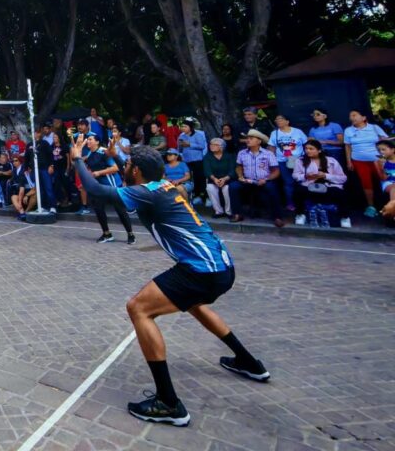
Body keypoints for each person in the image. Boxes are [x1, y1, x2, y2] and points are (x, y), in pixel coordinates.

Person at [68, 136, 269, 427]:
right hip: (222, 266)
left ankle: (168, 403)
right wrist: (118, 158)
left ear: (137, 170)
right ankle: (248, 362)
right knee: (194, 304)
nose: (125, 167)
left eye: (128, 164)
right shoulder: (160, 185)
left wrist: (77, 158)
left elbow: (96, 189)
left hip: (201, 271)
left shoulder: (145, 193)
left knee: (138, 308)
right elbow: (136, 175)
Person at [83, 133, 136, 244]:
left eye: (90, 139)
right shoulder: (90, 153)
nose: (88, 141)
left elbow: (115, 168)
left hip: (112, 186)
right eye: (87, 139)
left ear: (97, 141)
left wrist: (99, 173)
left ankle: (131, 234)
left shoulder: (104, 152)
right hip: (99, 187)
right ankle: (107, 234)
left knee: (120, 211)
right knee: (98, 209)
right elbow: (91, 168)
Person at [292, 139, 349, 228]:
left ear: (319, 150)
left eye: (311, 149)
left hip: (328, 187)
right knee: (298, 191)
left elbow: (343, 178)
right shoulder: (300, 161)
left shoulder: (331, 161)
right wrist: (306, 176)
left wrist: (325, 176)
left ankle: (344, 217)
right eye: (306, 148)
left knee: (341, 193)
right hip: (310, 186)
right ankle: (300, 214)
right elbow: (295, 175)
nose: (308, 151)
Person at [234, 129, 283, 228]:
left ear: (259, 141)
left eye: (251, 138)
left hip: (264, 181)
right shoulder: (242, 153)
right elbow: (239, 167)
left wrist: (266, 179)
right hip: (248, 180)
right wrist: (240, 176)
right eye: (247, 138)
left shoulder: (268, 154)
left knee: (272, 188)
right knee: (233, 187)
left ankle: (277, 217)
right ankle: (237, 214)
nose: (248, 140)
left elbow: (276, 171)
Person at [344, 109, 386, 218]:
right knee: (366, 183)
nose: (351, 118)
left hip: (378, 160)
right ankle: (371, 206)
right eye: (350, 116)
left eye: (354, 115)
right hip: (359, 161)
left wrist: (384, 158)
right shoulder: (348, 130)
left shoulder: (374, 128)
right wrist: (349, 161)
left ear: (363, 118)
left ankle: (388, 205)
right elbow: (347, 147)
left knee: (384, 180)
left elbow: (385, 143)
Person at [268, 114, 308, 211]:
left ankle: (305, 203)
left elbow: (306, 144)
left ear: (287, 121)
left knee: (302, 181)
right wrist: (271, 162)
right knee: (288, 182)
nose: (278, 121)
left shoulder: (298, 131)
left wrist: (306, 158)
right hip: (282, 161)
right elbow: (272, 148)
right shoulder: (274, 133)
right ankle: (291, 203)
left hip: (298, 160)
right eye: (276, 119)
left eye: (280, 119)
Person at [203, 139, 236, 219]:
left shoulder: (229, 156)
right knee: (210, 188)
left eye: (214, 145)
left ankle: (229, 211)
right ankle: (218, 211)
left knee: (226, 189)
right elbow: (207, 171)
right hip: (213, 180)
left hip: (227, 179)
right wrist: (214, 179)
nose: (211, 146)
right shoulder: (207, 157)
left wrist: (224, 179)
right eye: (211, 144)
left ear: (221, 147)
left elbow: (232, 170)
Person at [177, 120, 207, 206]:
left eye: (185, 126)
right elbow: (179, 149)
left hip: (197, 160)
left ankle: (202, 195)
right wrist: (180, 146)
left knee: (199, 177)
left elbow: (202, 146)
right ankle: (193, 195)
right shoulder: (181, 136)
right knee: (189, 178)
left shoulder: (198, 135)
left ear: (190, 127)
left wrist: (190, 144)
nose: (183, 128)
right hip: (186, 160)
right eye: (182, 126)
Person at [9, 155, 37, 221]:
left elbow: (35, 189)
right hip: (23, 194)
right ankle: (22, 213)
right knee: (13, 197)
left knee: (36, 195)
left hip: (30, 195)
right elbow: (21, 190)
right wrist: (19, 202)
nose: (28, 170)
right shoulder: (23, 176)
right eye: (13, 161)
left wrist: (27, 195)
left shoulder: (35, 176)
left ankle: (26, 212)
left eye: (30, 168)